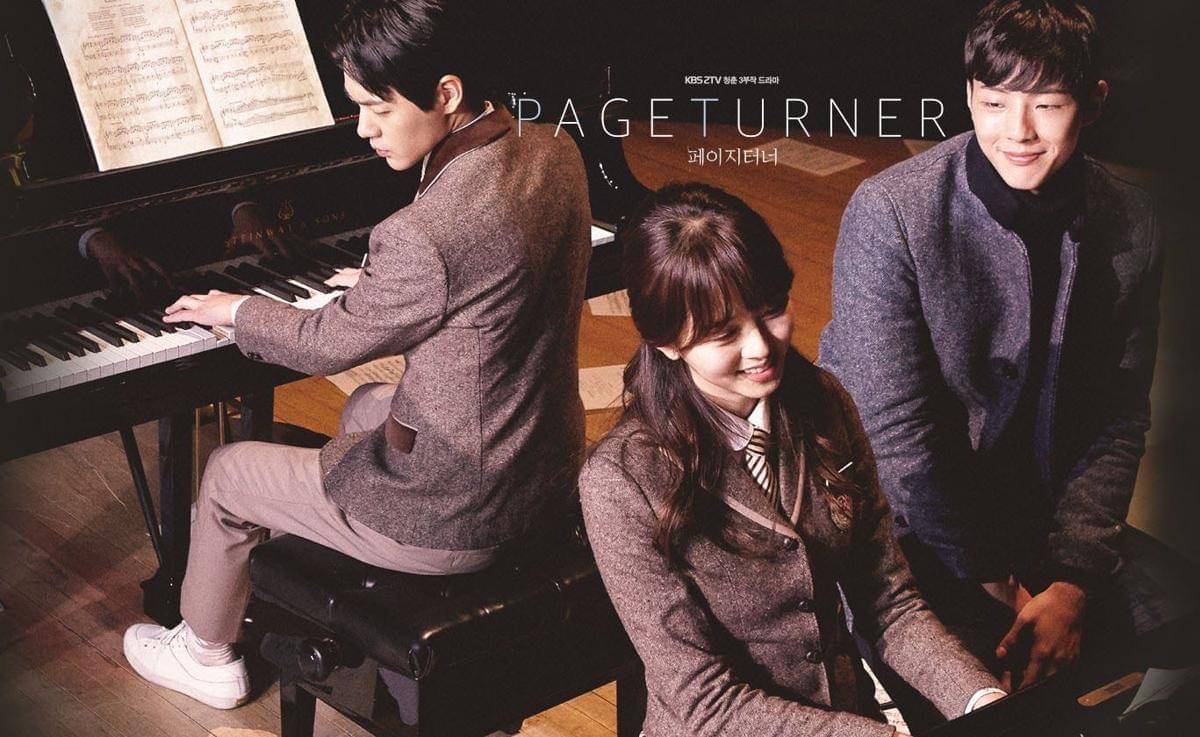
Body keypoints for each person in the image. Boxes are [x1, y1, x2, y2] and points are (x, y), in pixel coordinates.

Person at [121, 0, 592, 709]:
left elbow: (325, 344)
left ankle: (204, 651)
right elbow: (484, 281)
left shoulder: (423, 233)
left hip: (461, 514)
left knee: (227, 471)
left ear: (447, 93)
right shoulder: (553, 149)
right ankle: (301, 569)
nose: (363, 130)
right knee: (369, 406)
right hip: (541, 472)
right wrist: (386, 289)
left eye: (377, 107)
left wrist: (236, 310)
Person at [820, 0, 1195, 701]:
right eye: (994, 102)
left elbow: (1119, 416)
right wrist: (1008, 588)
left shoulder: (1133, 221)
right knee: (984, 692)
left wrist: (1072, 579)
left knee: (1181, 622)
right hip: (903, 522)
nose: (1017, 131)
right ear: (969, 96)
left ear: (1093, 102)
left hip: (1038, 516)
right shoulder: (892, 212)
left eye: (1047, 104)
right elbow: (897, 439)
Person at [579, 183, 1005, 737]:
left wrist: (981, 698)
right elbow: (704, 700)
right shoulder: (621, 481)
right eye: (724, 334)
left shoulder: (823, 402)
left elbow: (888, 603)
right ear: (666, 341)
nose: (761, 347)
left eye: (772, 311)